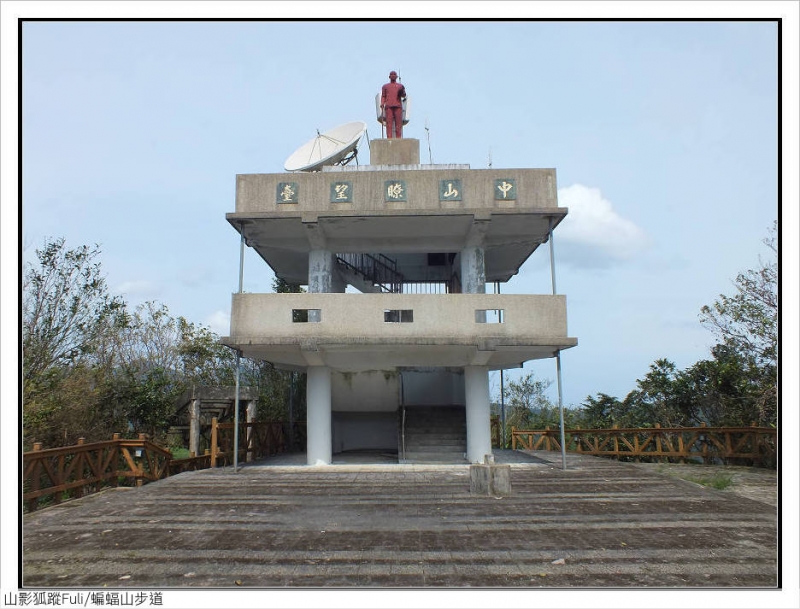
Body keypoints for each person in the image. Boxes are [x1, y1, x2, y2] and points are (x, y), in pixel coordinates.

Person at [381, 71, 407, 139]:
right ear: (389, 77)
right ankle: (389, 138)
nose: (393, 76)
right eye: (391, 74)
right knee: (388, 123)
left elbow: (404, 95)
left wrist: (402, 91)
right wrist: (382, 103)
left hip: (398, 106)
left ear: (396, 77)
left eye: (394, 74)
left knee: (398, 123)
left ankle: (398, 137)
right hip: (389, 106)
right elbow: (383, 96)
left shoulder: (400, 86)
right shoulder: (385, 86)